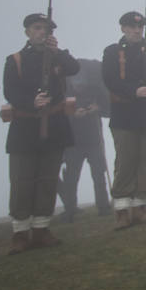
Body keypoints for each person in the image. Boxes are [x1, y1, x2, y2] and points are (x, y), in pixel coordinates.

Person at [2, 12, 81, 253]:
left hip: (54, 125)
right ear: (27, 32)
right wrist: (30, 102)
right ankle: (20, 232)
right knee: (22, 180)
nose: (42, 33)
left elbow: (73, 68)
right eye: (37, 28)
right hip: (25, 128)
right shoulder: (15, 60)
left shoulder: (58, 57)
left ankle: (41, 228)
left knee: (48, 179)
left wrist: (57, 51)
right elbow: (11, 92)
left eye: (46, 30)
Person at [102, 10, 146, 228]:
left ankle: (140, 206)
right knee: (126, 161)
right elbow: (110, 80)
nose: (136, 31)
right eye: (132, 27)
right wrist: (135, 91)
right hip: (125, 114)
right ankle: (122, 209)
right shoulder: (113, 51)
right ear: (123, 28)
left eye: (139, 27)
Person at [56, 76, 111, 222]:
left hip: (94, 140)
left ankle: (103, 206)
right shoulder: (64, 95)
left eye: (82, 83)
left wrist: (98, 108)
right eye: (76, 83)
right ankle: (70, 209)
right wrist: (73, 115)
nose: (79, 86)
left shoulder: (95, 93)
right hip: (73, 142)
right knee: (71, 178)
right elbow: (60, 116)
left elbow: (108, 110)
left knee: (99, 175)